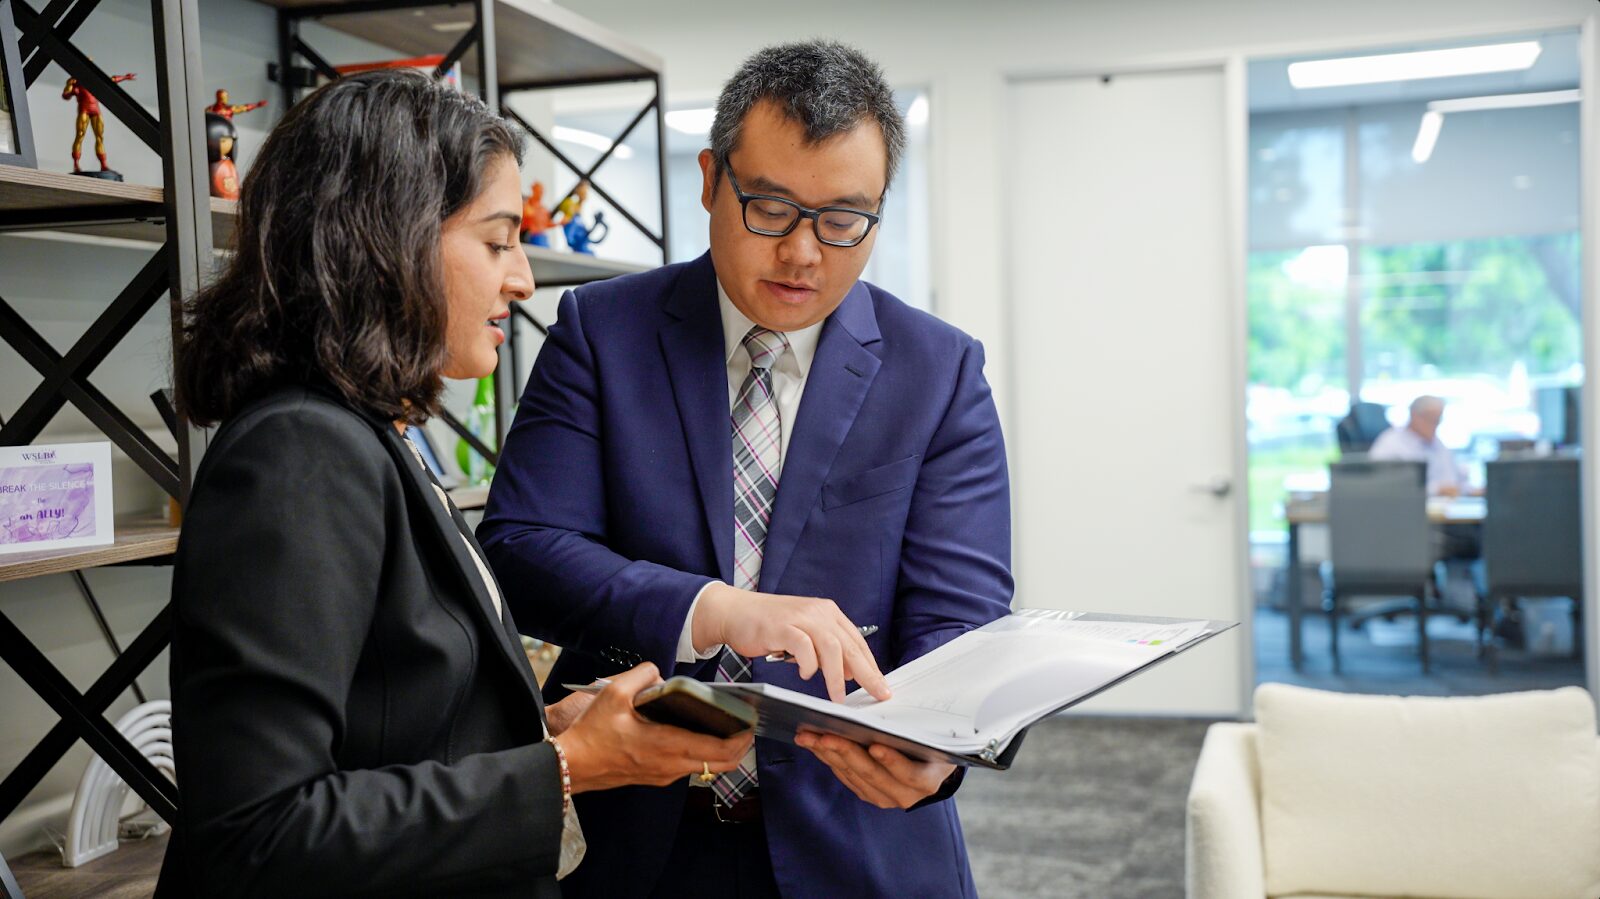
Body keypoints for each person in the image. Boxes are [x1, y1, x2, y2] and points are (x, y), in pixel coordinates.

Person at [156, 71, 750, 899]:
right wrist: (566, 767)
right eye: (497, 241)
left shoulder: (373, 435)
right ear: (386, 239)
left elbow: (391, 727)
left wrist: (546, 735)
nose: (523, 281)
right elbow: (258, 829)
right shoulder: (300, 453)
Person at [480, 41, 1012, 899]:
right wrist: (711, 610)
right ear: (709, 178)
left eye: (844, 220)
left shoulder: (937, 370)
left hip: (861, 841)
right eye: (770, 207)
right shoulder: (600, 333)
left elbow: (962, 622)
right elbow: (524, 549)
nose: (804, 253)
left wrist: (939, 755)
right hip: (641, 834)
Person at [1368, 395, 1471, 496]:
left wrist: (1468, 490)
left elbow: (1454, 479)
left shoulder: (1438, 444)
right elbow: (1383, 486)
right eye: (1431, 419)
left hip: (1448, 506)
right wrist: (1437, 489)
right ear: (1414, 416)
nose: (1435, 426)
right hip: (1411, 507)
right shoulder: (1390, 444)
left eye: (1438, 420)